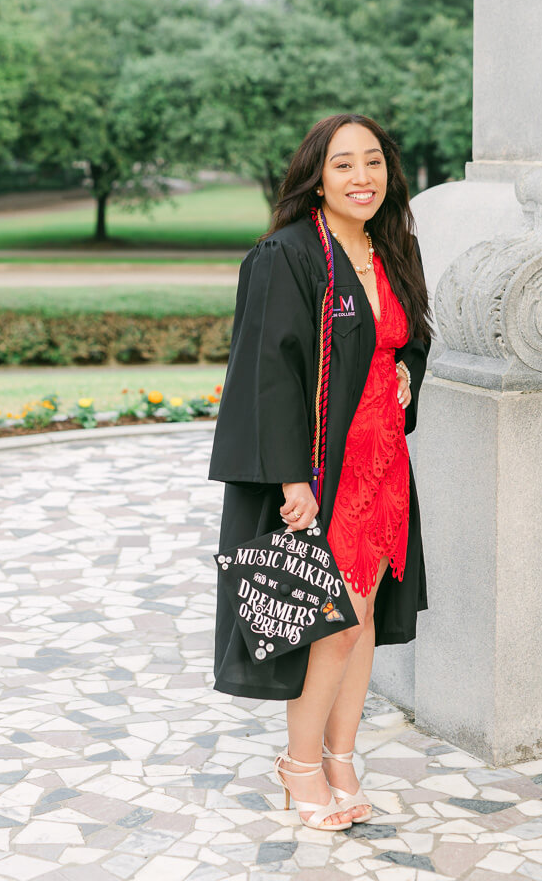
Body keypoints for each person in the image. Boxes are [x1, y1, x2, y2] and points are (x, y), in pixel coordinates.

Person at [209, 113, 432, 830]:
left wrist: (404, 374)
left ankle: (342, 758)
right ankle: (299, 765)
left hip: (382, 468)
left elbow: (410, 338)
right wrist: (289, 479)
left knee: (360, 623)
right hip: (322, 474)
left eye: (373, 162)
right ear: (317, 175)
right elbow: (267, 374)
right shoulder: (290, 255)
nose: (362, 177)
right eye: (344, 165)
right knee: (327, 624)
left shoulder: (390, 246)